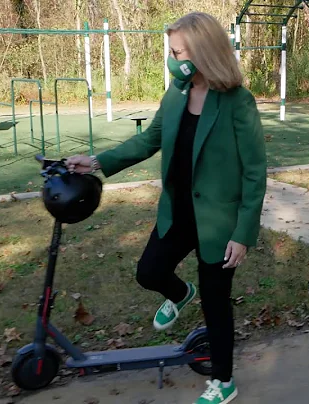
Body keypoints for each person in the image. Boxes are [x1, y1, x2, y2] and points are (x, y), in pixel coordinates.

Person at [65, 11, 266, 404]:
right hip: (177, 212)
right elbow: (148, 140)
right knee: (149, 272)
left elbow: (255, 172)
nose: (172, 59)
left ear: (204, 52)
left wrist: (243, 233)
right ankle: (179, 293)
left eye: (178, 51)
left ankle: (223, 381)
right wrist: (96, 162)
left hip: (218, 223)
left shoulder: (237, 102)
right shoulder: (176, 93)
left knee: (216, 303)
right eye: (171, 51)